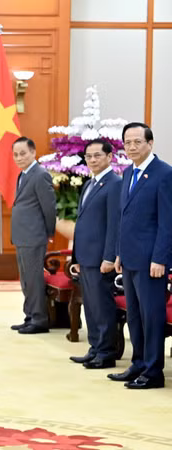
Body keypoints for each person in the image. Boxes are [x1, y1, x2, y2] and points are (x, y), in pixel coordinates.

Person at [109, 122, 172, 389]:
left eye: (137, 142)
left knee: (152, 316)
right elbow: (126, 218)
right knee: (134, 315)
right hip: (130, 259)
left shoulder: (164, 174)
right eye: (127, 142)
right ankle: (138, 364)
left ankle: (154, 371)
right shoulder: (128, 173)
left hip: (151, 262)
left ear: (150, 143)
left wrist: (160, 258)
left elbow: (167, 222)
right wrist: (119, 253)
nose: (132, 147)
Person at [69, 139, 121, 368]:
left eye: (97, 155)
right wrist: (76, 258)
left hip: (101, 259)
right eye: (88, 156)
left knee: (103, 307)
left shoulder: (114, 183)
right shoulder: (89, 184)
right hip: (86, 258)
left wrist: (109, 257)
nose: (92, 160)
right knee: (90, 306)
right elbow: (81, 224)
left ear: (110, 157)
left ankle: (107, 353)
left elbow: (114, 225)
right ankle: (95, 348)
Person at [10, 136, 56, 334]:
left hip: (34, 236)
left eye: (23, 153)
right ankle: (29, 316)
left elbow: (49, 207)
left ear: (33, 153)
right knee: (26, 279)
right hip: (22, 236)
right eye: (15, 154)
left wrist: (49, 231)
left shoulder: (40, 175)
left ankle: (39, 319)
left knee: (34, 279)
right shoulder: (24, 174)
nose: (19, 158)